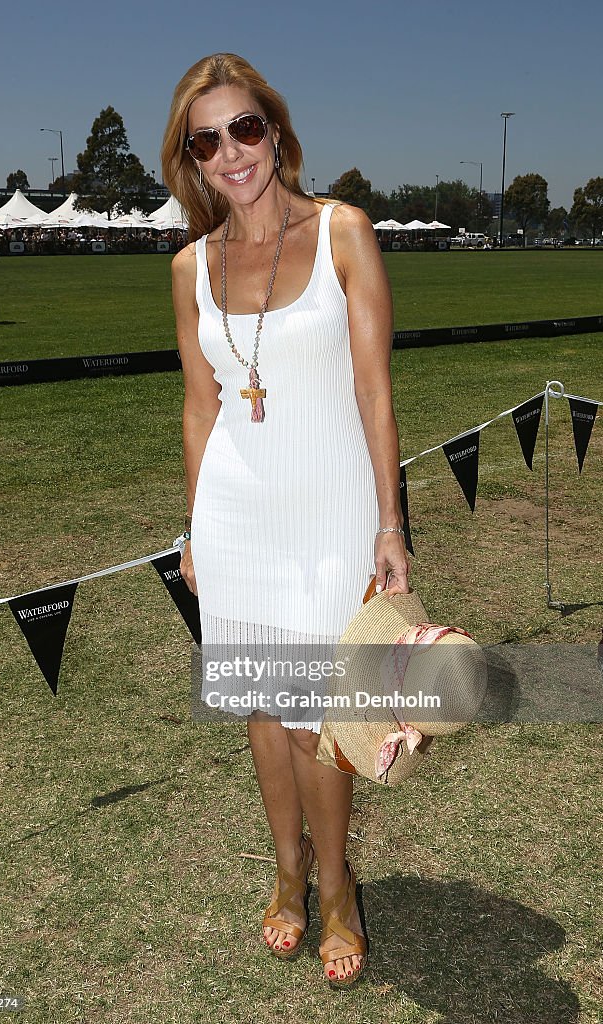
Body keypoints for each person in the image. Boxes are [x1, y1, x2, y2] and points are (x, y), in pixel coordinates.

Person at [161, 52, 410, 987]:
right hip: (236, 513)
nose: (232, 151)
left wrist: (389, 524)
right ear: (190, 159)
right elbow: (199, 407)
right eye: (207, 138)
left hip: (332, 507)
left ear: (276, 129)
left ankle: (338, 885)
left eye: (245, 127)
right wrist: (193, 525)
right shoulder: (188, 266)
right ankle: (288, 869)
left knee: (320, 717)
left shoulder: (344, 232)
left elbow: (374, 387)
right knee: (265, 711)